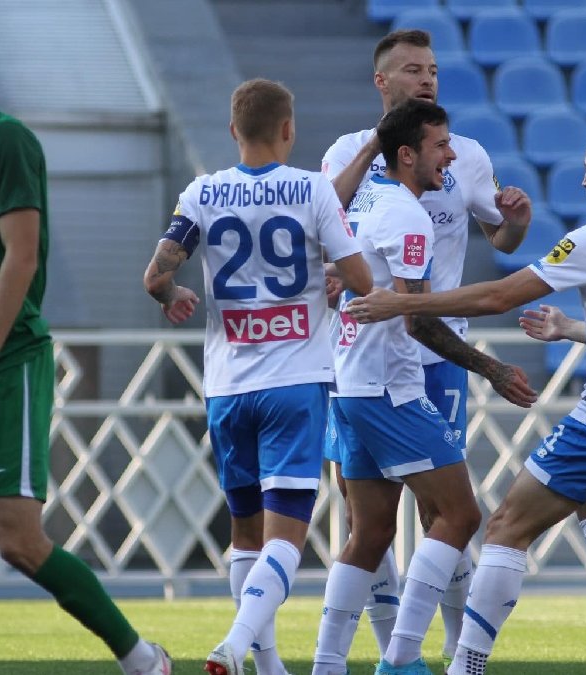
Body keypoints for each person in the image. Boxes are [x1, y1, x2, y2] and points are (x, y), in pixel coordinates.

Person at [347, 124, 586, 675]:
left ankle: (466, 666)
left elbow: (499, 296)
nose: (583, 183)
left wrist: (402, 303)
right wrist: (570, 329)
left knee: (506, 526)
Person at [0, 20, 170, 675]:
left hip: (8, 361)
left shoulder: (7, 142)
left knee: (17, 540)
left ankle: (142, 659)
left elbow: (21, 257)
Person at [141, 79, 373, 675]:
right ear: (288, 129)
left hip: (227, 385)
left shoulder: (203, 192)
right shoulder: (312, 189)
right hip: (294, 380)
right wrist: (329, 273)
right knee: (286, 536)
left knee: (244, 532)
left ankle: (267, 667)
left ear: (233, 131)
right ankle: (235, 643)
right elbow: (362, 280)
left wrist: (172, 295)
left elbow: (156, 276)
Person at [319, 28, 533, 666]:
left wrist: (515, 223)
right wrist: (377, 145)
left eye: (433, 70)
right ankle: (397, 652)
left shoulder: (465, 156)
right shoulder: (350, 153)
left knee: (428, 511)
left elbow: (501, 241)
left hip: (433, 358)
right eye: (413, 70)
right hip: (388, 353)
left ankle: (432, 645)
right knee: (409, 515)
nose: (427, 79)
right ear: (382, 81)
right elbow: (324, 220)